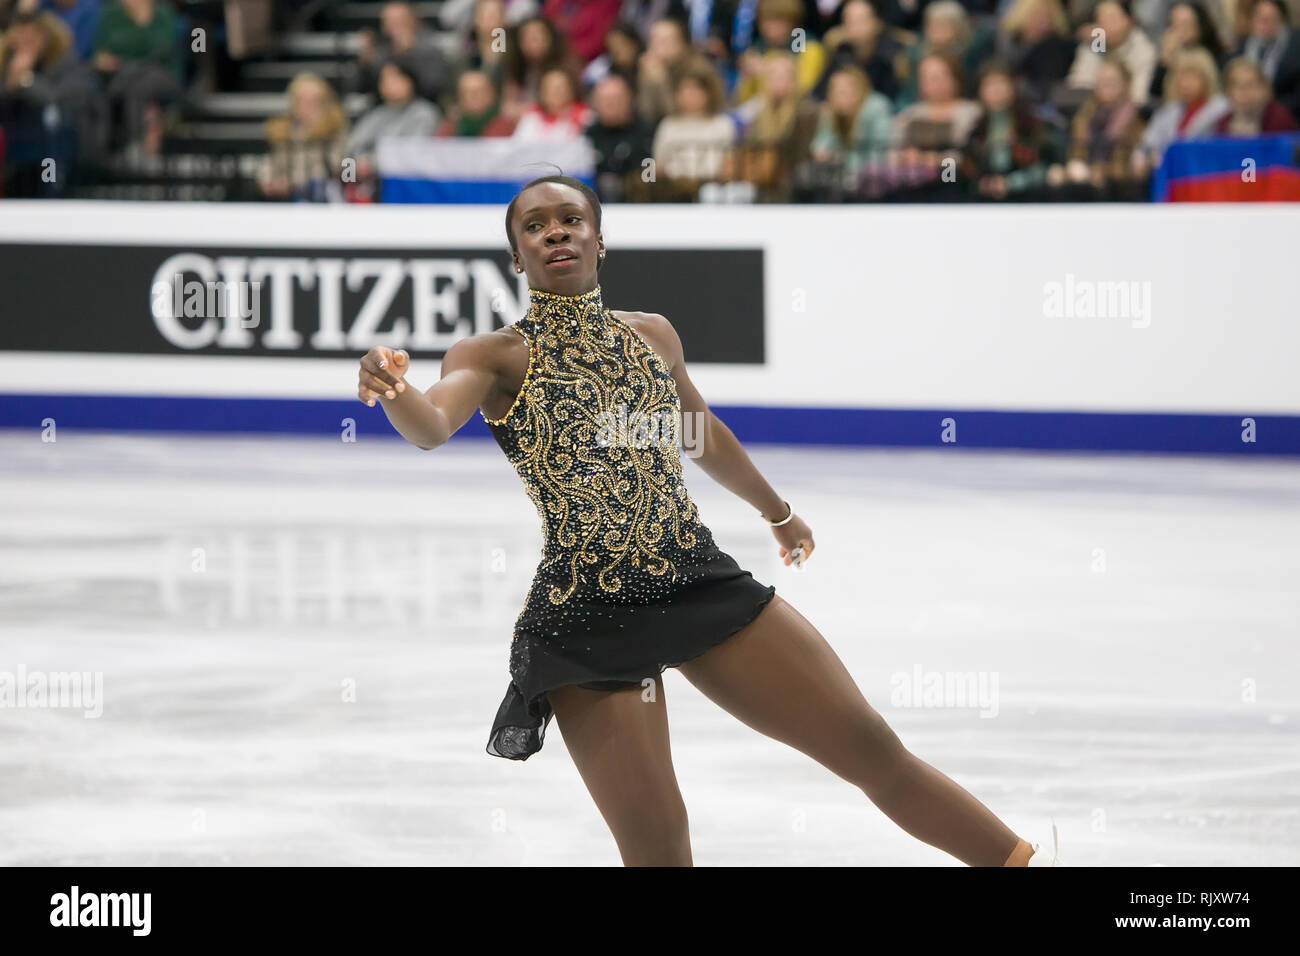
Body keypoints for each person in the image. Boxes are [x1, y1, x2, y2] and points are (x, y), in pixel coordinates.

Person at [353, 175, 1061, 867]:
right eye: (534, 227)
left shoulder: (652, 335)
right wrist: (393, 390)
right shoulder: (493, 355)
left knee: (869, 746)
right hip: (588, 612)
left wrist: (777, 512)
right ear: (517, 258)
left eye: (570, 218)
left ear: (600, 240)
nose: (554, 232)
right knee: (658, 847)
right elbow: (433, 423)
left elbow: (700, 434)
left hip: (695, 577)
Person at [1132, 46, 1230, 171]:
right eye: (1180, 77)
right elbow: (1146, 146)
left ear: (1207, 77)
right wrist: (1145, 159)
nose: (1184, 83)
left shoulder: (1222, 110)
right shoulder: (1168, 111)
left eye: (1191, 76)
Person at [257, 72, 349, 202]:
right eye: (302, 100)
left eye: (313, 101)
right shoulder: (283, 132)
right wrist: (270, 180)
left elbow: (347, 170)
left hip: (327, 200)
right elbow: (269, 163)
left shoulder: (337, 131)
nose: (307, 106)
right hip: (288, 200)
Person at [1233, 0, 1300, 121]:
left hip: (1285, 117)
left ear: (1282, 20)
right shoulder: (1243, 48)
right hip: (1245, 114)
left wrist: (1268, 110)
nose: (1264, 23)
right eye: (1260, 18)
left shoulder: (1295, 46)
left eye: (1270, 18)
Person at [1212, 52, 1298, 128]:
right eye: (1237, 86)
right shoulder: (1224, 123)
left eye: (1250, 85)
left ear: (1264, 88)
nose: (1244, 92)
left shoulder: (1279, 119)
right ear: (1228, 92)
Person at [510, 65, 593, 139]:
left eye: (560, 87)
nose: (556, 92)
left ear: (571, 91)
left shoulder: (584, 117)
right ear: (542, 93)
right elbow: (519, 146)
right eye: (550, 88)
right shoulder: (532, 117)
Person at [436, 67, 518, 136]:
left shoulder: (506, 123)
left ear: (491, 93)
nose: (473, 97)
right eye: (467, 92)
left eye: (478, 91)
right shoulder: (451, 125)